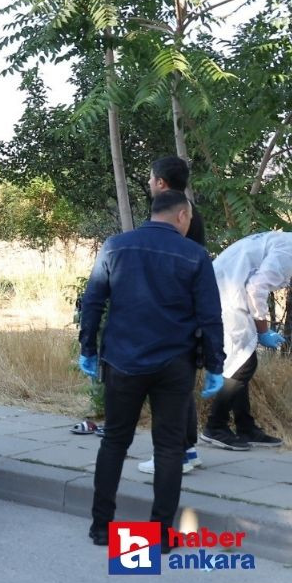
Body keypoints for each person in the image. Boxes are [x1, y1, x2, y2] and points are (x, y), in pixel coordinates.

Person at [79, 191, 224, 548]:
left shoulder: (115, 246)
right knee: (169, 449)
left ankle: (101, 527)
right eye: (189, 219)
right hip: (175, 365)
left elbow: (94, 301)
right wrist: (216, 365)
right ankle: (160, 534)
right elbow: (209, 316)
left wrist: (88, 349)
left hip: (123, 361)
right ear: (182, 216)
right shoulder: (195, 254)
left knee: (114, 441)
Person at [137, 156, 206, 475]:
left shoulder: (169, 217)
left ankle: (174, 453)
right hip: (185, 311)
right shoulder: (191, 213)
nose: (149, 183)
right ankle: (187, 448)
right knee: (179, 384)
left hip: (168, 312)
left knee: (165, 386)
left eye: (151, 179)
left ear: (161, 183)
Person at [200, 230, 291, 450]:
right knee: (243, 364)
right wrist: (263, 330)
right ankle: (215, 426)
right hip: (227, 295)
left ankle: (245, 427)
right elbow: (256, 287)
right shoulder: (289, 252)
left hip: (225, 289)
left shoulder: (286, 242)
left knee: (243, 362)